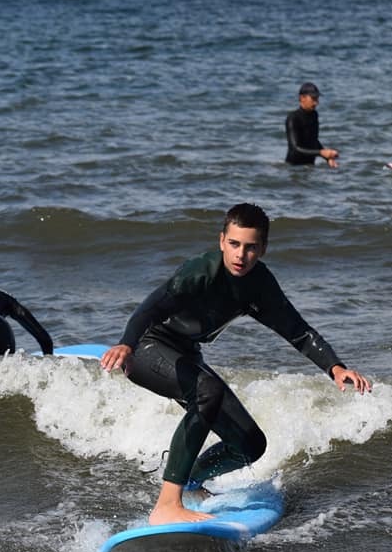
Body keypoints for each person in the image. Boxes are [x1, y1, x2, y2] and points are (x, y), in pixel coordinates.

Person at [100, 203, 371, 525]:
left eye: (251, 247)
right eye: (234, 244)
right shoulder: (200, 271)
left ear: (263, 249)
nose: (241, 255)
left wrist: (335, 368)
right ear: (221, 241)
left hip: (186, 353)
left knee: (249, 444)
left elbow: (297, 331)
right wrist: (127, 344)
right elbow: (149, 309)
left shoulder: (259, 285)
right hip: (147, 348)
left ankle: (190, 482)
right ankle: (167, 504)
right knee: (208, 392)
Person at [285, 82, 340, 168]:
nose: (316, 103)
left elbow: (314, 140)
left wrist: (327, 157)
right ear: (302, 98)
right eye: (313, 99)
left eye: (317, 99)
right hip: (294, 168)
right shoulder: (293, 118)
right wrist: (320, 152)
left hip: (310, 167)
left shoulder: (314, 115)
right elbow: (294, 148)